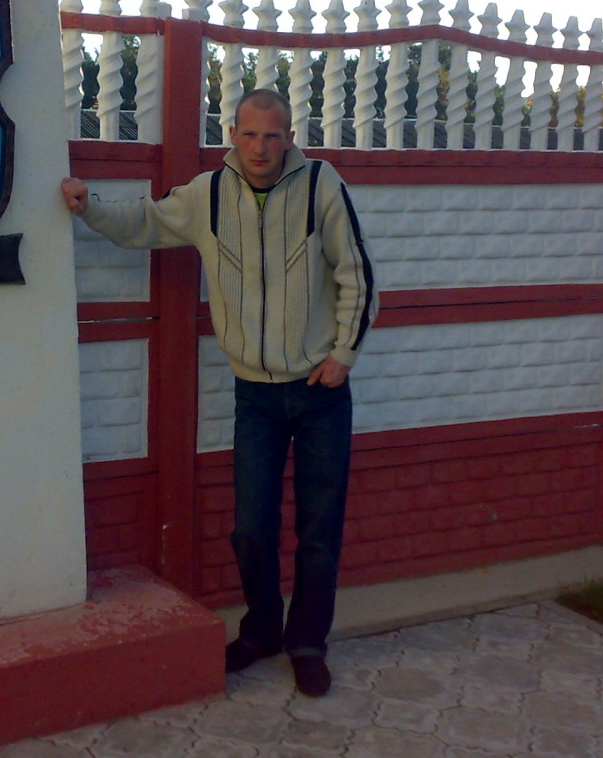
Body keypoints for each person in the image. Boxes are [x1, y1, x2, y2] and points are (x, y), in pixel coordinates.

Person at [61, 88, 377, 697]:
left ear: (289, 138)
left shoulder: (321, 185)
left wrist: (343, 354)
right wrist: (88, 206)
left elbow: (356, 273)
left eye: (272, 136)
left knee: (318, 530)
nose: (260, 148)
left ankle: (307, 643)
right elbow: (145, 222)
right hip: (254, 396)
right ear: (232, 134)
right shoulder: (208, 194)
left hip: (319, 393)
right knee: (252, 528)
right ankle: (261, 631)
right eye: (250, 134)